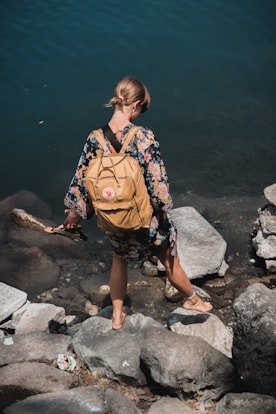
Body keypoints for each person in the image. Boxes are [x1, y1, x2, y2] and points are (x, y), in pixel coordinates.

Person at [63, 76, 213, 330]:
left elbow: (81, 180)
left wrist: (74, 215)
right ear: (136, 104)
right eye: (141, 110)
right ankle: (194, 300)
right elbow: (158, 184)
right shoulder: (143, 136)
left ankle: (117, 315)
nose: (139, 115)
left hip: (114, 217)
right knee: (169, 259)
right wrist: (164, 213)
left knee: (119, 259)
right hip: (146, 219)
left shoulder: (94, 138)